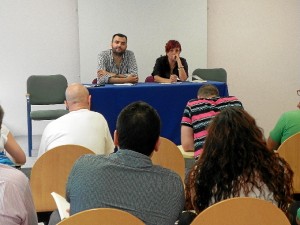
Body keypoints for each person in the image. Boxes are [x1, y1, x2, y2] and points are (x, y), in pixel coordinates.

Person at [49, 101, 185, 225]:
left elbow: (70, 200)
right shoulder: (173, 184)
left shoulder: (83, 166)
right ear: (157, 144)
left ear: (116, 138)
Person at [183, 107, 293, 224]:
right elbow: (281, 207)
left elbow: (201, 213)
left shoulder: (201, 173)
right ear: (254, 136)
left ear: (212, 143)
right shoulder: (276, 168)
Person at [38, 83, 114, 157]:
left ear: (66, 104)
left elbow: (40, 163)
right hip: (92, 169)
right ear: (89, 99)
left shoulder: (50, 127)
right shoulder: (100, 119)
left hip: (60, 169)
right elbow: (109, 154)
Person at [181, 84, 243, 159]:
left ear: (199, 97)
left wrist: (202, 145)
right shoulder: (235, 101)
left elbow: (187, 145)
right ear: (217, 95)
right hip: (241, 158)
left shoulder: (192, 104)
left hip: (208, 161)